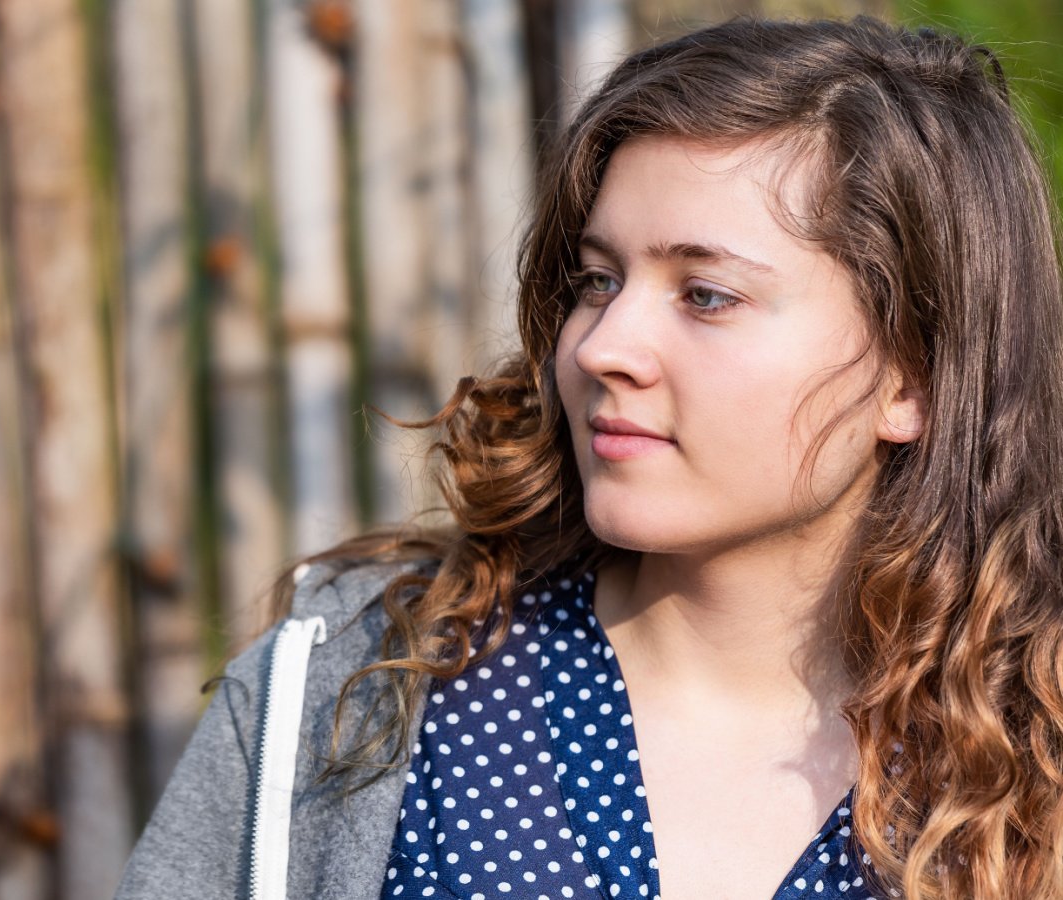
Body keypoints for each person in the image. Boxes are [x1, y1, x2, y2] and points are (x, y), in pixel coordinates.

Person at [115, 14, 1063, 900]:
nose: (604, 345)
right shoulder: (359, 690)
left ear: (913, 378)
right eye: (597, 281)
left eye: (706, 295)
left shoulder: (1036, 756)